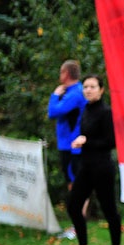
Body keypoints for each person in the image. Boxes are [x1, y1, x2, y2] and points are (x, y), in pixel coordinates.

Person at [66, 75, 121, 245]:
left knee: (109, 208)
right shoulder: (86, 110)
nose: (88, 90)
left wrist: (86, 141)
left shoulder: (106, 112)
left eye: (92, 86)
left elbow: (110, 141)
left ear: (101, 90)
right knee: (74, 206)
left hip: (102, 166)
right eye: (86, 86)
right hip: (86, 166)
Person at [47, 59, 86, 191]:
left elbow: (53, 112)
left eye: (61, 72)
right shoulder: (72, 91)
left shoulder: (74, 94)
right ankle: (77, 210)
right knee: (73, 180)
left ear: (66, 73)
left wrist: (55, 95)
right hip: (69, 144)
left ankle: (78, 211)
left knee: (75, 181)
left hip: (71, 146)